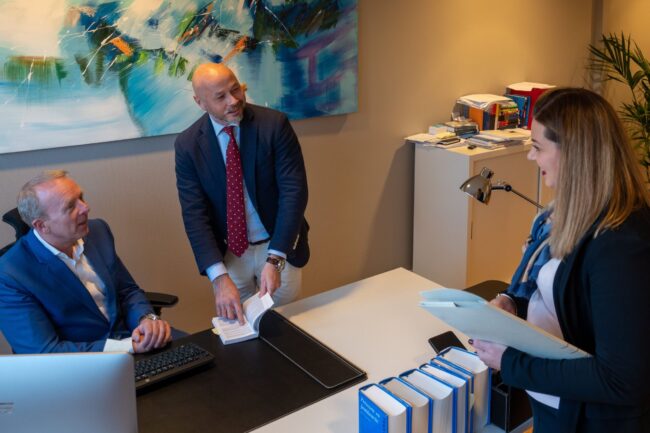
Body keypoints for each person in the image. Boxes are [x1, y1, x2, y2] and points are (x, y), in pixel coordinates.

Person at [471, 87, 650, 432]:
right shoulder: (572, 216)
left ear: (574, 154)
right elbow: (568, 301)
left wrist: (511, 363)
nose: (530, 157)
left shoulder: (622, 246)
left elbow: (622, 379)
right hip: (555, 404)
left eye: (537, 147)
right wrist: (514, 305)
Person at [175, 63, 309, 324]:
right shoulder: (188, 145)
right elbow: (194, 215)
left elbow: (294, 192)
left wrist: (276, 258)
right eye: (221, 97)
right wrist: (219, 278)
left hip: (278, 244)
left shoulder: (274, 125)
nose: (234, 100)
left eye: (235, 89)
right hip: (230, 255)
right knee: (240, 329)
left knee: (289, 325)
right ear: (200, 103)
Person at [0, 170, 172, 354]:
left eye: (81, 198)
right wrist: (127, 347)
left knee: (193, 353)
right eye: (70, 206)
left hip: (134, 337)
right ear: (42, 225)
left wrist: (147, 320)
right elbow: (44, 351)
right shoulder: (10, 275)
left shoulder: (98, 231)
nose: (85, 208)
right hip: (83, 362)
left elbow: (127, 291)